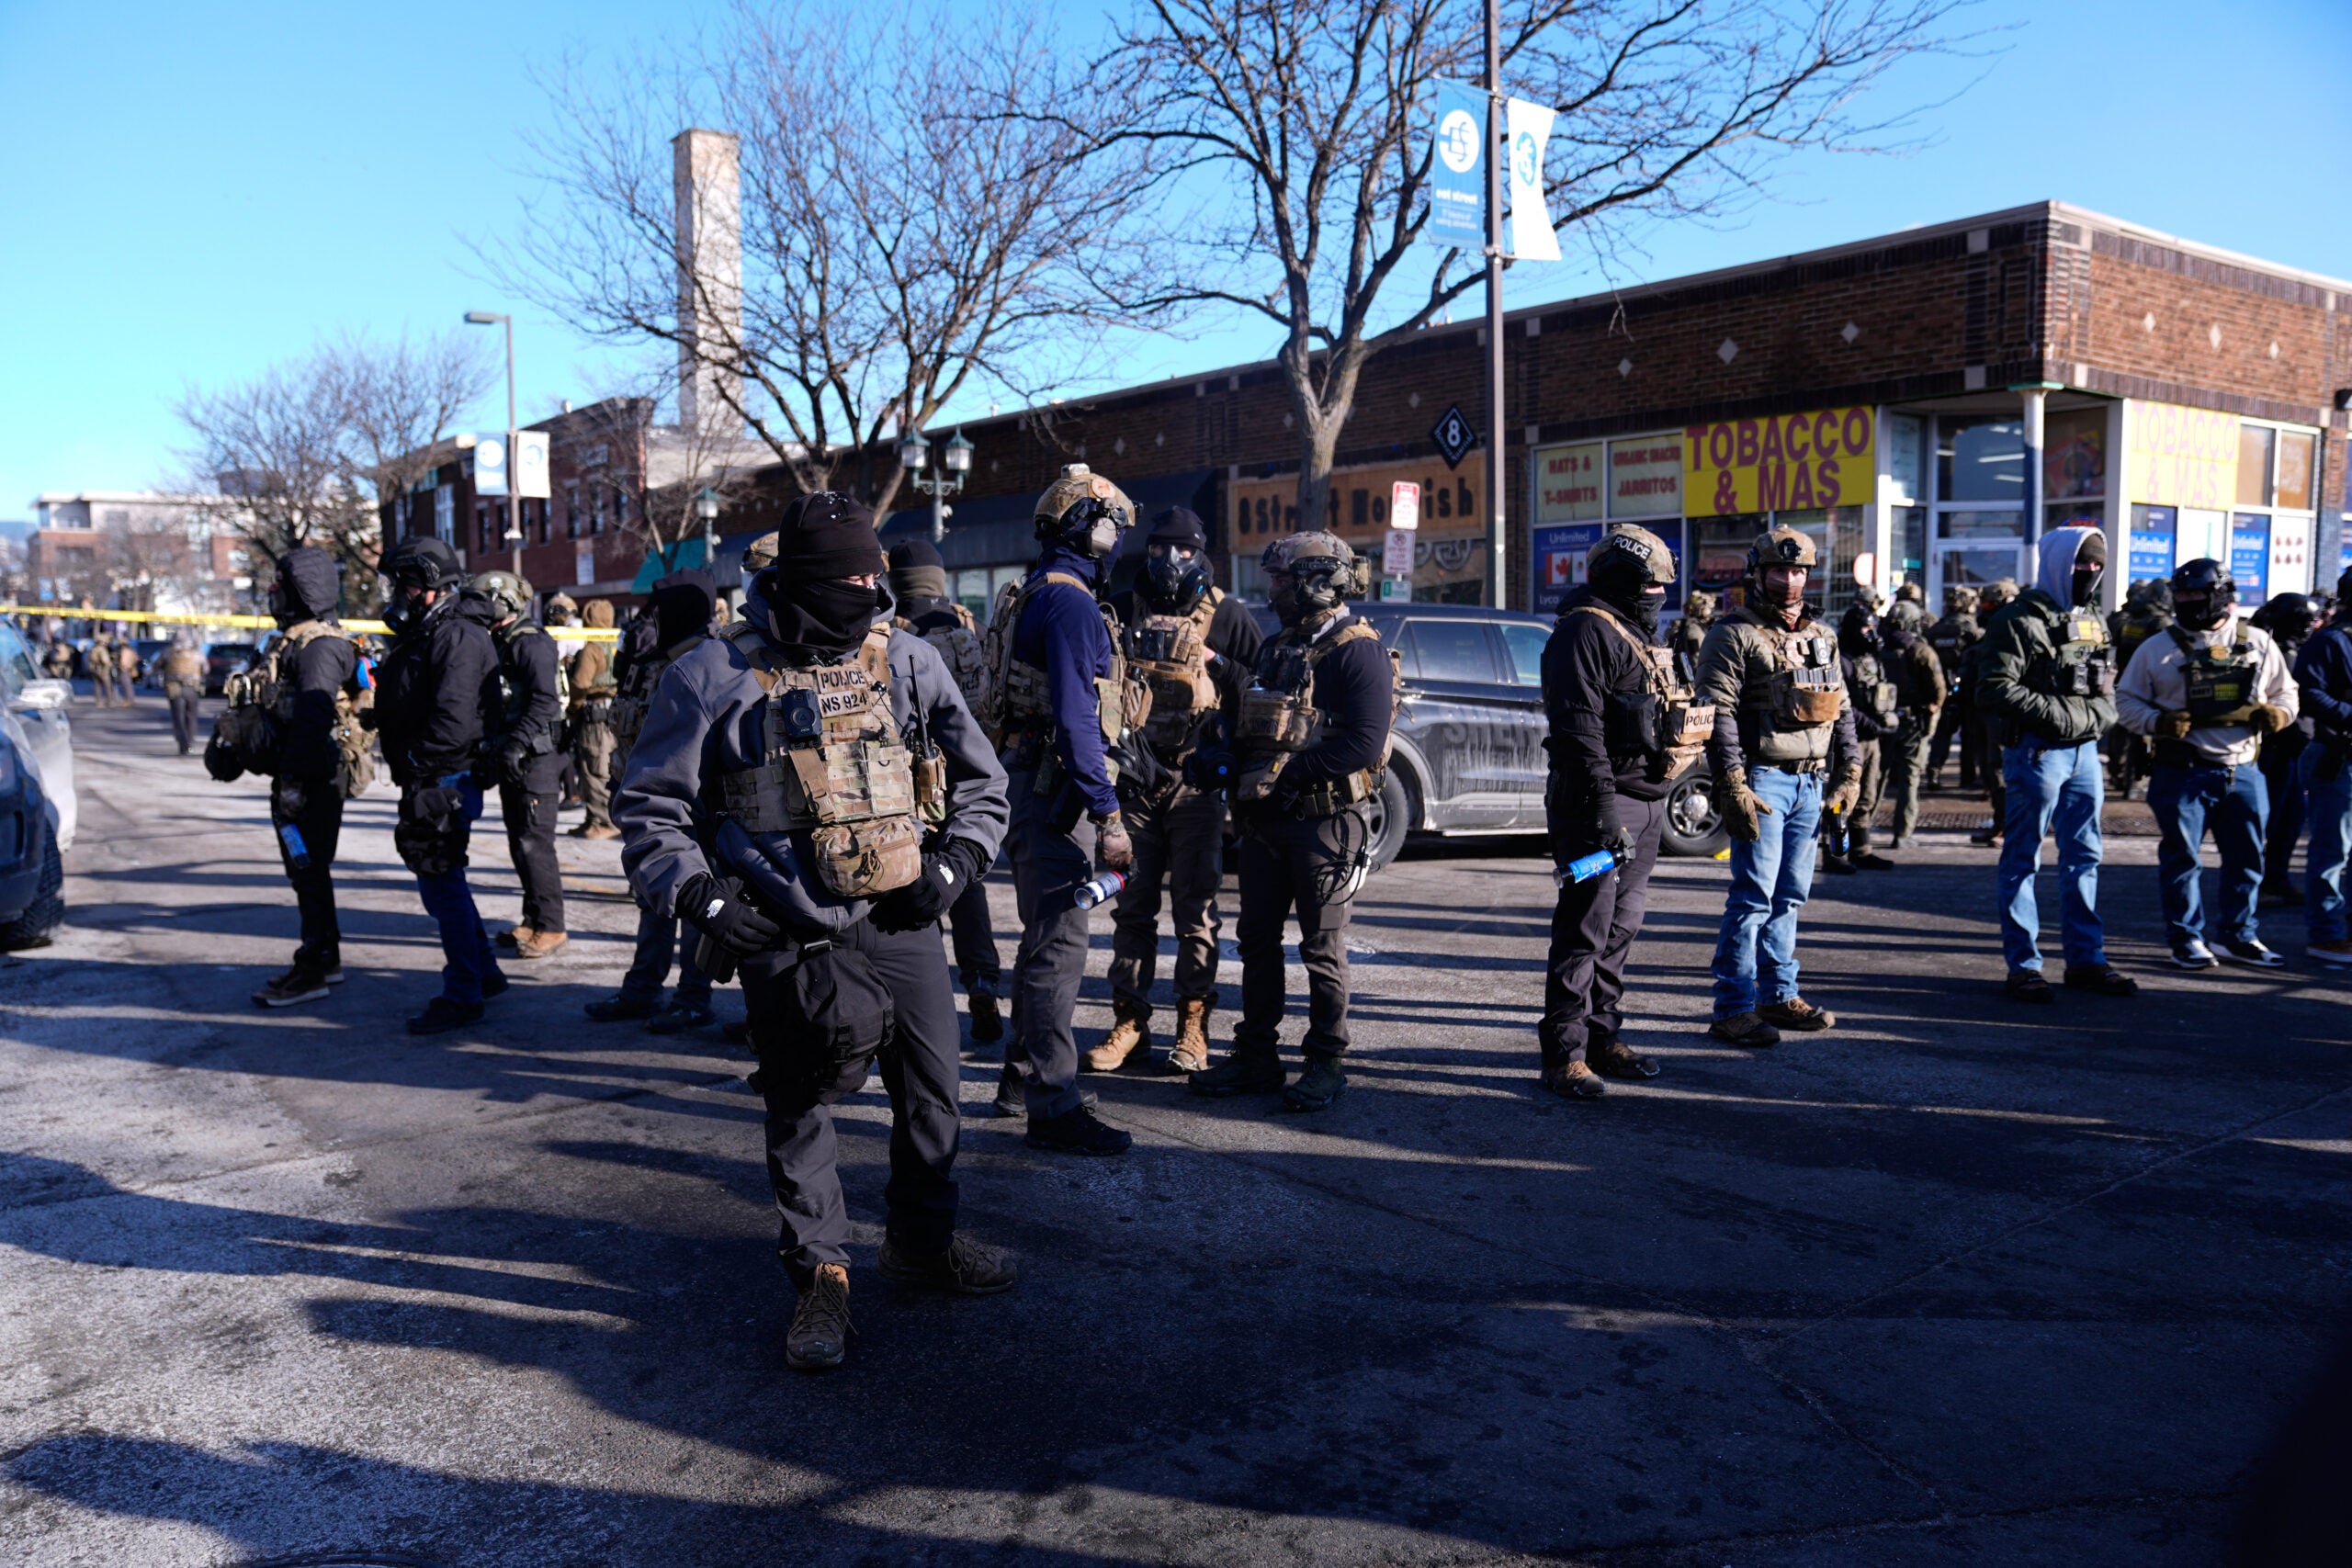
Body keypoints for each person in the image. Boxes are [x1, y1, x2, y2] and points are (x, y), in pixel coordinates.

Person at [614, 489, 1017, 1371]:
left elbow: (985, 783)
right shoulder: (711, 674)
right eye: (851, 576)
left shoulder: (906, 658)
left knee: (934, 1091)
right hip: (783, 930)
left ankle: (921, 1239)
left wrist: (954, 869)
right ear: (801, 579)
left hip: (902, 916)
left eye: (876, 571)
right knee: (800, 1104)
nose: (870, 588)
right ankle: (821, 1279)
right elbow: (649, 808)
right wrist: (703, 901)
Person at [1189, 531, 1396, 1111]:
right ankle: (1257, 1057)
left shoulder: (1359, 650)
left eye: (1282, 580)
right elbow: (1250, 718)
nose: (1272, 590)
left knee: (1322, 947)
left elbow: (1361, 743)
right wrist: (1220, 750)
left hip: (1323, 825)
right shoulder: (1279, 646)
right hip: (1264, 824)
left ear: (1317, 582)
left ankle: (1327, 1060)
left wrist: (1285, 777)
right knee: (1256, 942)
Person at [988, 464, 1139, 1151]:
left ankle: (1021, 1078)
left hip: (1025, 782)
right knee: (1059, 946)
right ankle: (1053, 1103)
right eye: (1111, 524)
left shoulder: (1031, 591)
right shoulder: (1073, 603)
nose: (1117, 538)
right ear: (1090, 526)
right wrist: (1108, 815)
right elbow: (1080, 720)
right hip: (1057, 793)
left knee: (1040, 939)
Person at [1535, 524, 1703, 1099]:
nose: (1658, 593)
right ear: (1619, 580)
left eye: (1664, 585)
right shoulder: (1584, 632)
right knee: (1585, 929)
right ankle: (1565, 1055)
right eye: (1648, 584)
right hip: (1594, 808)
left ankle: (1604, 1036)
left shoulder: (1636, 633)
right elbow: (1578, 734)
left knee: (1621, 929)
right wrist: (1606, 812)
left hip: (1647, 802)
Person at [1094, 506, 1263, 1075]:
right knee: (1133, 911)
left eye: (1184, 550)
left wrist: (1215, 663)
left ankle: (1194, 1024)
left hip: (1196, 787)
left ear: (1202, 552)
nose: (1171, 561)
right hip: (1135, 786)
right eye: (1162, 548)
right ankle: (1129, 1023)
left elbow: (1259, 695)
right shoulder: (1120, 608)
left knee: (1196, 913)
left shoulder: (1230, 616)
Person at [1692, 526, 1860, 1048]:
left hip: (1811, 785)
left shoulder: (1823, 636)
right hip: (1762, 781)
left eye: (1798, 571)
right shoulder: (1732, 634)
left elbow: (1844, 707)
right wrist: (1733, 783)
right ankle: (1733, 1008)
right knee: (1752, 899)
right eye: (1779, 571)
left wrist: (1851, 771)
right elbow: (1716, 712)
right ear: (1758, 572)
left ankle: (1778, 994)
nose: (1789, 581)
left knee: (1790, 897)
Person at [1977, 525, 2136, 1001]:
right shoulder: (2017, 619)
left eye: (2096, 563)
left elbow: (2107, 684)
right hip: (2037, 752)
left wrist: (2095, 719)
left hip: (2085, 754)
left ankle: (2087, 959)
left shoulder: (2093, 619)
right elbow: (1994, 687)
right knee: (2022, 859)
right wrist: (2064, 718)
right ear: (2057, 563)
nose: (2089, 571)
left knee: (2084, 858)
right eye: (2080, 563)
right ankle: (2023, 966)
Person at [2116, 558, 2298, 970]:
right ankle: (2186, 938)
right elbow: (2125, 700)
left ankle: (2239, 936)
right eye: (2181, 595)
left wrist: (2280, 716)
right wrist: (2157, 722)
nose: (2188, 602)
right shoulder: (2157, 647)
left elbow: (2287, 693)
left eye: (2196, 594)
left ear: (2221, 597)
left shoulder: (2258, 642)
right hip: (2182, 773)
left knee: (2248, 861)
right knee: (2182, 860)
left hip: (2245, 772)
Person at [372, 536, 507, 1033]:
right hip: (432, 773)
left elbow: (455, 720)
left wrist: (414, 760)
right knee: (446, 882)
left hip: (443, 775)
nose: (395, 595)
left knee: (441, 886)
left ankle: (463, 993)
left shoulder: (457, 635)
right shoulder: (433, 630)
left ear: (426, 585)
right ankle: (484, 973)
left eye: (401, 585)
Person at [220, 547, 362, 1008]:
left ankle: (315, 965)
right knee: (304, 871)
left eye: (280, 582)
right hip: (294, 776)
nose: (271, 591)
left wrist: (296, 784)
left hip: (313, 780)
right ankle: (328, 958)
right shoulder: (288, 641)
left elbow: (315, 717)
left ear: (303, 589)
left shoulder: (321, 647)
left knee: (309, 869)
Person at [888, 536, 1008, 1047]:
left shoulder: (892, 636)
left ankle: (929, 993)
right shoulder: (967, 625)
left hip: (911, 784)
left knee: (917, 887)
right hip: (966, 772)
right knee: (965, 879)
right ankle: (982, 980)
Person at [588, 571, 719, 1030]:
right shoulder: (649, 659)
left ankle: (692, 998)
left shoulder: (711, 661)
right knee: (652, 898)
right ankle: (643, 988)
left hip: (696, 807)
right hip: (647, 804)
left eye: (663, 608)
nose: (653, 617)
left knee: (696, 902)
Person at [470, 571, 569, 961]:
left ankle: (552, 925)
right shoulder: (502, 640)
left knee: (535, 844)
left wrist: (515, 743)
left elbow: (546, 702)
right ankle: (533, 919)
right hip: (517, 755)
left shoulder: (531, 642)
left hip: (537, 758)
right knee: (519, 842)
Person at [2294, 569, 2352, 967]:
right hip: (2338, 756)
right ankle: (2327, 935)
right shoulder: (2332, 640)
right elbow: (2307, 693)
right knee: (2333, 850)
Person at [2251, 592, 2322, 908]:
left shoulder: (2297, 650)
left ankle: (2275, 879)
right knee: (2266, 820)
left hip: (2293, 749)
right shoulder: (2264, 649)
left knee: (2291, 818)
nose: (2308, 628)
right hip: (2272, 749)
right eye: (2302, 621)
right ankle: (2257, 883)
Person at [1822, 595, 1893, 876]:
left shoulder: (1871, 659)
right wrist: (1871, 725)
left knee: (1867, 797)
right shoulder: (1844, 661)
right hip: (1848, 739)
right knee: (1840, 798)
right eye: (1865, 628)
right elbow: (1842, 703)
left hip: (1871, 738)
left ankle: (1861, 850)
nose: (1871, 633)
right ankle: (1836, 854)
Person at [1878, 597, 1946, 851]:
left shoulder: (1880, 648)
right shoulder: (1921, 651)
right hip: (1912, 723)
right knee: (1910, 779)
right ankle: (1902, 834)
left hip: (1882, 722)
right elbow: (1938, 691)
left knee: (1877, 778)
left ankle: (1861, 831)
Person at [2106, 579, 2175, 802]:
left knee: (2121, 732)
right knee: (2143, 737)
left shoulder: (2132, 619)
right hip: (2148, 684)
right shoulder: (2159, 622)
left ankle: (2120, 774)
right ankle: (2136, 781)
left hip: (2124, 680)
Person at [1964, 579, 2020, 845]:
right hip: (1984, 709)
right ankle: (2001, 823)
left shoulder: (2016, 632)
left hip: (2003, 711)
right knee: (1989, 769)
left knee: (2000, 771)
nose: (1984, 610)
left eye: (1989, 605)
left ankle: (2007, 827)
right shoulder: (1990, 633)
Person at [567, 599, 621, 840]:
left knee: (594, 770)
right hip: (613, 715)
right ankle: (593, 818)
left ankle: (602, 821)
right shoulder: (615, 643)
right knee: (606, 767)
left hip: (594, 716)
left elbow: (580, 683)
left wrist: (574, 707)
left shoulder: (592, 648)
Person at [1926, 584, 1980, 790]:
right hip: (1966, 689)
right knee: (1969, 734)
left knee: (1942, 734)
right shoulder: (1972, 630)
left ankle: (1934, 773)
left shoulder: (1935, 629)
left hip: (1941, 688)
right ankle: (1968, 777)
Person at [159, 632, 205, 754]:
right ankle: (190, 742)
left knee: (178, 717)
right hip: (192, 688)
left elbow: (157, 665)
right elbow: (206, 668)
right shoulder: (197, 654)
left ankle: (183, 744)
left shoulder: (168, 652)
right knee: (191, 716)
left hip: (174, 688)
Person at [1669, 590, 1716, 667]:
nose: (1711, 613)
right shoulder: (1694, 630)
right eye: (1710, 609)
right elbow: (1698, 659)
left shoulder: (1678, 626)